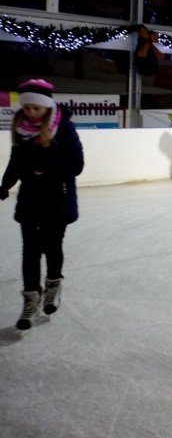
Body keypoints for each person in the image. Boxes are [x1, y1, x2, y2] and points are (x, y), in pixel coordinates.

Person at [0, 79, 84, 333]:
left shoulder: (64, 129)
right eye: (27, 108)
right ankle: (30, 300)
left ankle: (53, 288)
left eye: (37, 108)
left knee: (51, 245)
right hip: (30, 199)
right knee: (30, 251)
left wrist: (46, 169)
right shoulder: (21, 128)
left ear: (47, 107)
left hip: (57, 197)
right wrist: (5, 185)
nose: (31, 113)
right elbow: (15, 162)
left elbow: (77, 165)